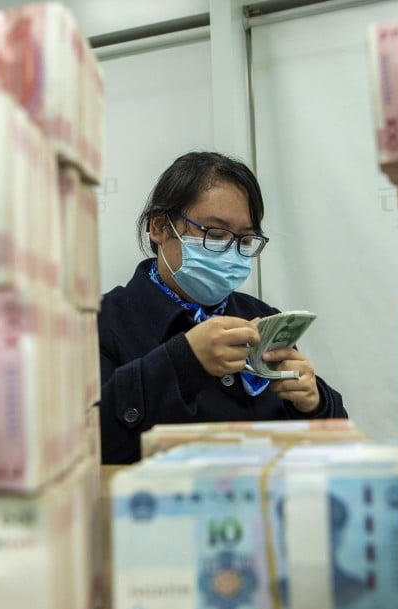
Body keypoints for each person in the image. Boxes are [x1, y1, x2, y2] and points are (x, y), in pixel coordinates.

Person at [98, 151, 348, 464]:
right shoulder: (103, 321)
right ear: (159, 226)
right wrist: (182, 361)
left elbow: (331, 443)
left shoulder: (263, 316)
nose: (232, 253)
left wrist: (315, 403)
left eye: (245, 241)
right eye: (216, 235)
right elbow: (87, 443)